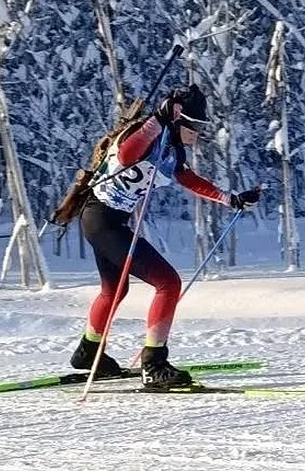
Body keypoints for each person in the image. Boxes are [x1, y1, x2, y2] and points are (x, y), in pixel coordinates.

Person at [69, 84, 261, 388]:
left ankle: (88, 353)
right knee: (168, 283)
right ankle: (154, 364)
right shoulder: (147, 134)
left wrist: (230, 199)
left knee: (114, 291)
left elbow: (186, 178)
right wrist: (157, 120)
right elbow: (128, 153)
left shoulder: (171, 148)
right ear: (177, 119)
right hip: (102, 220)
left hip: (105, 220)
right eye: (194, 126)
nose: (197, 133)